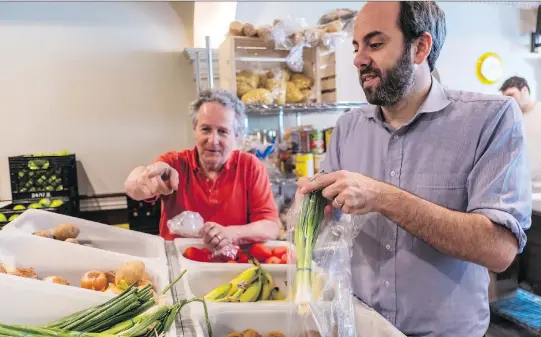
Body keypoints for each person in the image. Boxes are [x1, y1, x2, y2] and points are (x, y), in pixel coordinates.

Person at [298, 2, 532, 337]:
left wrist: (383, 197)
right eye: (356, 46)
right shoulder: (348, 128)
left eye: (375, 44)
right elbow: (329, 229)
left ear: (420, 47)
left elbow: (499, 250)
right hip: (358, 329)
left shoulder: (490, 119)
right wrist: (311, 208)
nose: (359, 59)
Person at [124, 89, 280, 250]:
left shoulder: (250, 167)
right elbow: (134, 187)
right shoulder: (174, 164)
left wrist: (231, 233)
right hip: (180, 263)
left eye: (223, 131)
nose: (213, 140)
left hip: (232, 265)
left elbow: (270, 226)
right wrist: (142, 178)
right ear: (195, 130)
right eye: (206, 129)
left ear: (236, 135)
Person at [500, 76, 541, 190]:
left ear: (524, 91)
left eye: (511, 95)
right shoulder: (510, 119)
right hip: (521, 187)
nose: (509, 101)